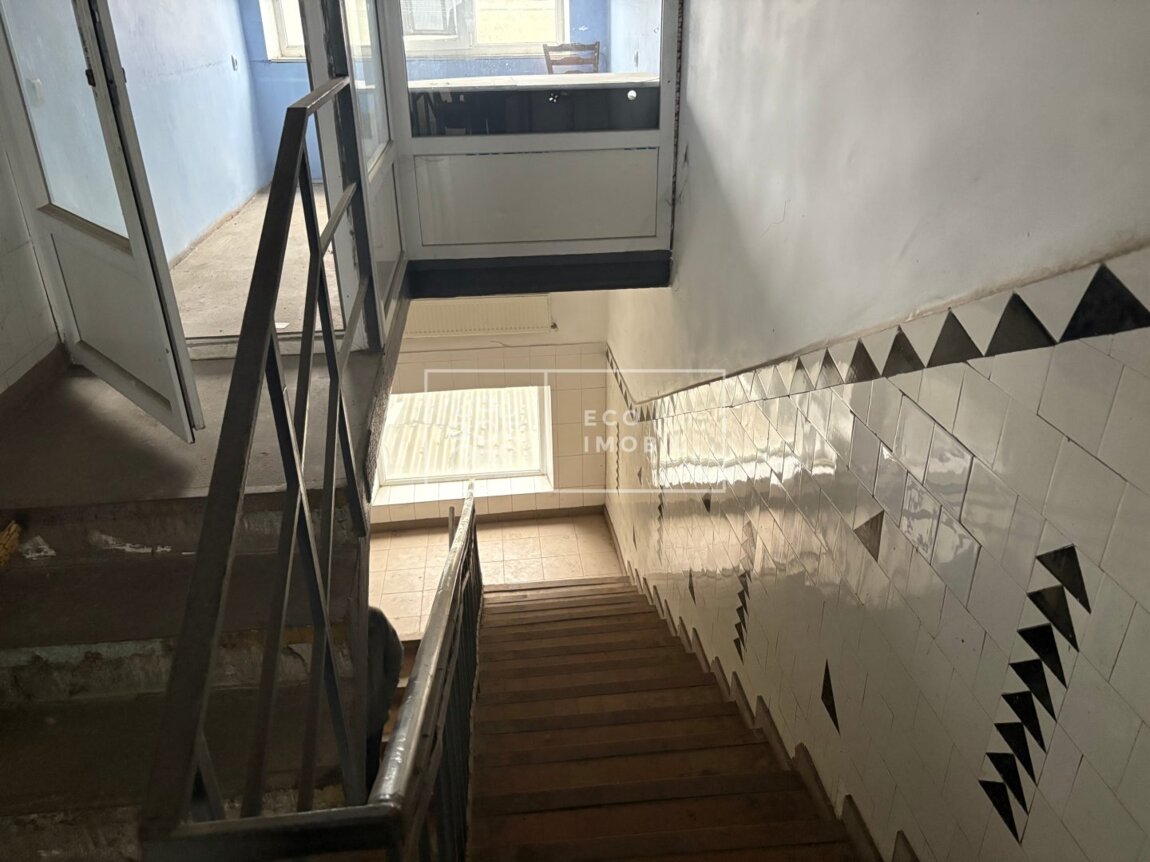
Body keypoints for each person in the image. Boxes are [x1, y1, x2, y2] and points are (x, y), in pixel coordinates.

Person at [365, 608, 404, 793]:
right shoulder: (373, 619)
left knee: (370, 771)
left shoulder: (374, 620)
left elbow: (395, 657)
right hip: (371, 716)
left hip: (371, 719)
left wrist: (382, 699)